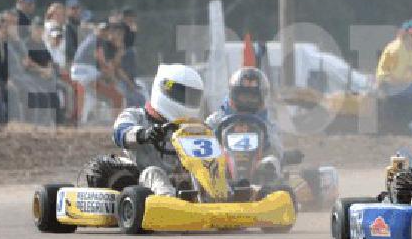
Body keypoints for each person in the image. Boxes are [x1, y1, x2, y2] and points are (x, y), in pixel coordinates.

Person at [112, 64, 205, 196]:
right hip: (141, 182)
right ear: (164, 89)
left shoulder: (189, 128)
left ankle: (225, 201)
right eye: (181, 94)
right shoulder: (135, 116)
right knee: (154, 173)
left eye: (191, 97)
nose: (186, 100)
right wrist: (143, 135)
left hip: (180, 180)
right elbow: (120, 133)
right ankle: (169, 204)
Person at [205, 67, 284, 182]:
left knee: (272, 163)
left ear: (262, 98)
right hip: (220, 175)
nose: (246, 100)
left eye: (252, 97)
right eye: (243, 96)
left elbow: (277, 149)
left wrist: (279, 156)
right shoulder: (215, 121)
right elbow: (202, 143)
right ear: (233, 94)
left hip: (259, 177)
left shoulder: (268, 125)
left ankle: (267, 191)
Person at [375, 19, 412, 136]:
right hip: (387, 84)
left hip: (400, 84)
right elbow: (394, 75)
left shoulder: (411, 49)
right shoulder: (396, 48)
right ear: (404, 33)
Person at [70, 21, 126, 122]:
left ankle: (81, 119)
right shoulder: (98, 39)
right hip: (85, 73)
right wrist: (112, 76)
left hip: (79, 73)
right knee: (116, 95)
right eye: (103, 30)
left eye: (106, 30)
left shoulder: (91, 38)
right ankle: (116, 123)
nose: (104, 32)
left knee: (94, 96)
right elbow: (101, 59)